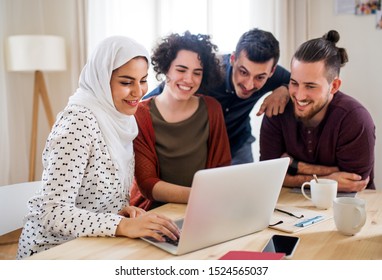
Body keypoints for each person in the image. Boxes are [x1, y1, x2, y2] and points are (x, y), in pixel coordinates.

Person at [16, 36, 180, 259]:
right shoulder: (78, 123)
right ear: (102, 80)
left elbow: (93, 198)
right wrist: (121, 226)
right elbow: (52, 213)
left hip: (95, 243)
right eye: (126, 82)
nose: (138, 91)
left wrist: (120, 213)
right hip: (52, 251)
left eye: (142, 80)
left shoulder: (121, 119)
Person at [144, 28, 291, 164]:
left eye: (260, 77)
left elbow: (300, 83)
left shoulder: (275, 75)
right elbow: (164, 92)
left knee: (247, 188)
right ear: (233, 59)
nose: (248, 85)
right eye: (243, 72)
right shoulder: (208, 72)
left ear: (272, 72)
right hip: (201, 147)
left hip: (239, 142)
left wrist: (285, 89)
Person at [260, 30, 376, 192]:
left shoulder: (355, 118)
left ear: (334, 86)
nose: (299, 95)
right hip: (291, 206)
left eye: (310, 86)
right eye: (294, 83)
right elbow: (267, 175)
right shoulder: (277, 110)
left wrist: (293, 166)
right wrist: (328, 178)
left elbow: (353, 182)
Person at [130, 31, 231, 210]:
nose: (189, 79)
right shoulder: (140, 114)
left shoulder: (212, 108)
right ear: (165, 68)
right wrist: (201, 196)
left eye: (197, 73)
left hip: (202, 209)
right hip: (154, 212)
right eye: (181, 70)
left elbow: (221, 169)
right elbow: (147, 185)